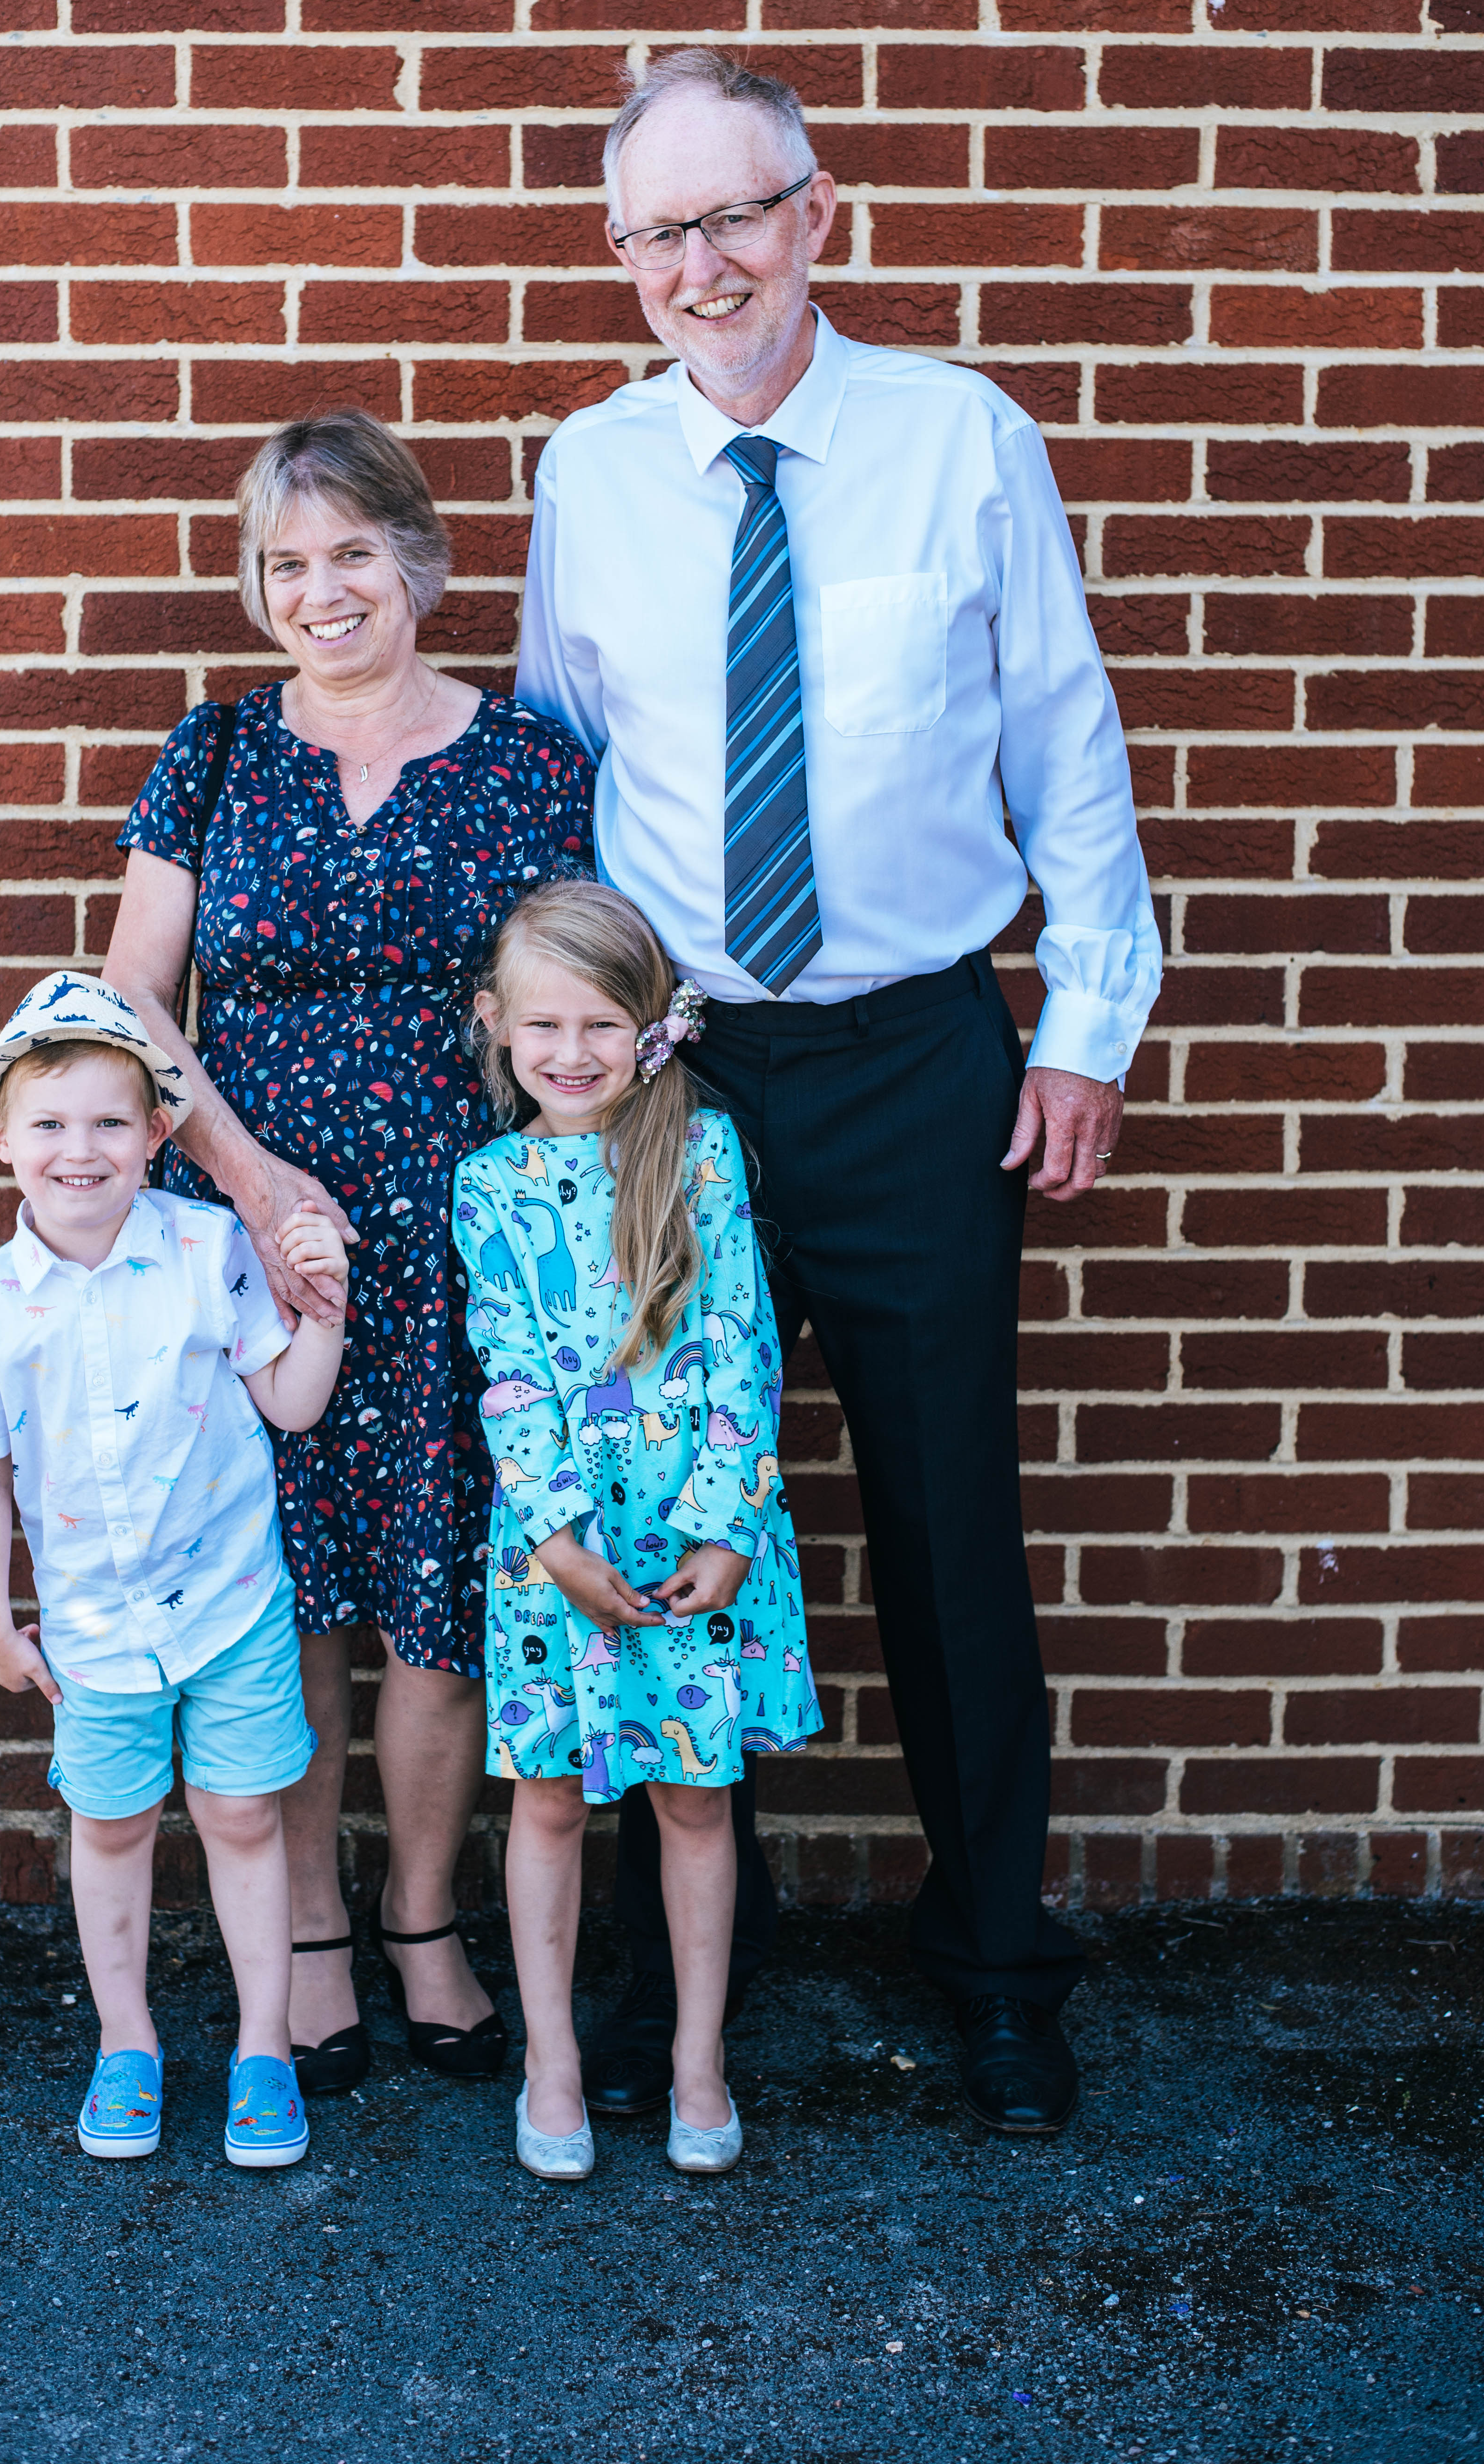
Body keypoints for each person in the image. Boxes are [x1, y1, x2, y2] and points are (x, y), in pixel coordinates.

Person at [518, 48, 1163, 2138]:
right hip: (677, 1079)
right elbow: (560, 765)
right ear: (621, 255)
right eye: (655, 231)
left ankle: (995, 1966)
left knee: (944, 1526)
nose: (698, 263)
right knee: (649, 1504)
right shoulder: (588, 474)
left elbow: (1062, 738)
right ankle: (680, 1967)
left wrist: (1082, 1022)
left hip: (911, 1060)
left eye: (733, 213)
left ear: (817, 214)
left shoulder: (960, 437)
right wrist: (564, 1068)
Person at [103, 412, 594, 2095]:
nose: (322, 591)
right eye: (287, 563)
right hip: (265, 1239)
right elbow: (132, 1000)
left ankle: (422, 1918)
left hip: (465, 1240)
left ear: (420, 565)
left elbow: (579, 994)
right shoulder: (216, 754)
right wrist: (249, 1183)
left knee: (443, 1596)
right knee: (288, 1597)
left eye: (352, 553)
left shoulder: (529, 762)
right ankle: (307, 1926)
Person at [0, 972, 350, 2167]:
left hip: (231, 1607)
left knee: (242, 1816)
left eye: (111, 1120)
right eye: (50, 1123)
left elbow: (291, 1405)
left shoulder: (208, 1249)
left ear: (159, 1132)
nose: (82, 1148)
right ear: (1, 1137)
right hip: (95, 1628)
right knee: (112, 1828)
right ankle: (127, 2040)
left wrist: (325, 1310)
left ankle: (264, 2049)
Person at [453, 883, 820, 2180]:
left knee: (696, 1803)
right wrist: (555, 1539)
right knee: (548, 1802)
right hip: (554, 1558)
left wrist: (726, 1528)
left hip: (699, 1547)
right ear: (496, 1025)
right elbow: (507, 1371)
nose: (572, 1052)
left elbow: (743, 1347)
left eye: (603, 1023)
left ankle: (698, 2061)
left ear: (654, 1027)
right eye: (544, 1024)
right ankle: (552, 2061)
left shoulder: (703, 1155)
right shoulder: (486, 1184)